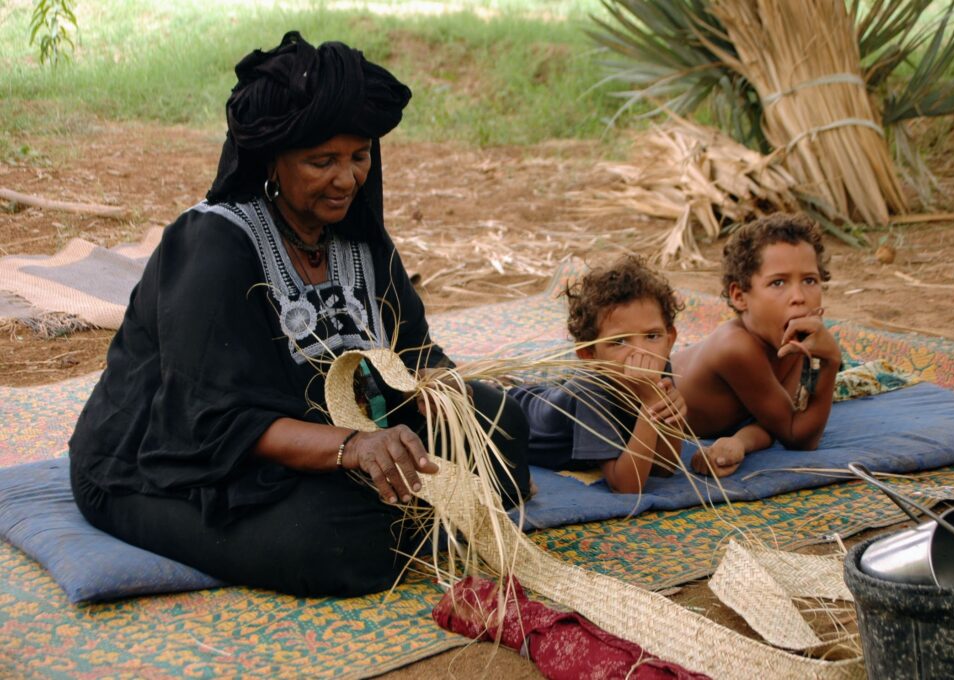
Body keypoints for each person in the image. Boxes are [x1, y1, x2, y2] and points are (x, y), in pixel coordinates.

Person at [68, 31, 531, 598]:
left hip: (339, 438)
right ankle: (387, 514)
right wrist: (351, 448)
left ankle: (392, 504)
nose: (347, 179)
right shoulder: (216, 246)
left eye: (359, 157)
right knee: (336, 538)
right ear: (273, 161)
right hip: (170, 464)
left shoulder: (357, 235)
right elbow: (212, 422)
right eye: (322, 161)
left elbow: (413, 350)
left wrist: (437, 397)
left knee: (501, 425)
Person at [671, 213, 840, 478]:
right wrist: (831, 362)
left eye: (809, 280)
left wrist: (740, 442)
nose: (798, 297)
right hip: (633, 401)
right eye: (778, 283)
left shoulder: (792, 336)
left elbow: (777, 421)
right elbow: (798, 436)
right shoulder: (736, 348)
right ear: (740, 297)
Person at [510, 256, 687, 494]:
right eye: (619, 341)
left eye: (652, 336)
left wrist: (670, 417)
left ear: (669, 339)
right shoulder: (591, 392)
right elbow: (627, 486)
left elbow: (664, 468)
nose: (641, 352)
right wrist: (650, 409)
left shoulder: (658, 366)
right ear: (589, 354)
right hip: (513, 416)